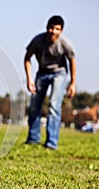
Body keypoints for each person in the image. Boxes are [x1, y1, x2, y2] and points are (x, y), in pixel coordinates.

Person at [24, 15, 76, 150]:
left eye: (57, 29)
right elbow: (27, 58)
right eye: (51, 28)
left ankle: (51, 142)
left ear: (61, 30)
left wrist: (72, 83)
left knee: (54, 105)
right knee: (35, 105)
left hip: (59, 73)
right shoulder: (38, 40)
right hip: (42, 73)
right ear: (47, 28)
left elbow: (72, 61)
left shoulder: (64, 43)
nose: (53, 31)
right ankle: (33, 139)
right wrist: (29, 79)